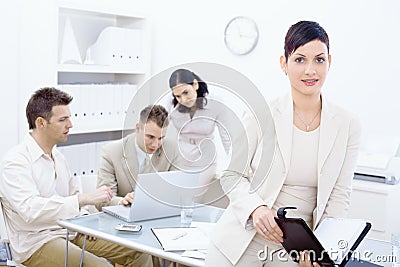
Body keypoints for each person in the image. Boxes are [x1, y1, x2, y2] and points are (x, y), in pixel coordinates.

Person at [206, 21, 362, 267]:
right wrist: (255, 209)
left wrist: (323, 251)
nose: (310, 70)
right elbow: (232, 174)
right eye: (300, 59)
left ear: (329, 62)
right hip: (242, 239)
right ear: (284, 64)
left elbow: (339, 196)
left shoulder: (348, 124)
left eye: (319, 60)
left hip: (297, 250)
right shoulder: (261, 113)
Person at [0, 87, 154, 267]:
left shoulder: (59, 158)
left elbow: (74, 197)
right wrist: (82, 200)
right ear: (41, 123)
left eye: (69, 118)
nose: (70, 124)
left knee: (138, 252)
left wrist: (85, 220)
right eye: (63, 119)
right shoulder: (16, 162)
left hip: (71, 231)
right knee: (100, 266)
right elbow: (30, 210)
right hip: (37, 242)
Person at [168, 69, 233, 206]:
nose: (183, 100)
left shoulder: (216, 104)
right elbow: (160, 129)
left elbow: (227, 139)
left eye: (186, 92)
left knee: (192, 198)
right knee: (174, 198)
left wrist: (236, 166)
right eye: (178, 96)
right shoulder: (171, 105)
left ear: (195, 85)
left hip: (205, 158)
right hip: (180, 157)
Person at [96, 104, 181, 209]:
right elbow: (101, 201)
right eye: (150, 137)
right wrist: (122, 201)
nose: (155, 144)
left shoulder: (172, 149)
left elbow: (178, 191)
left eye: (161, 138)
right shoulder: (111, 152)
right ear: (137, 128)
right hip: (122, 219)